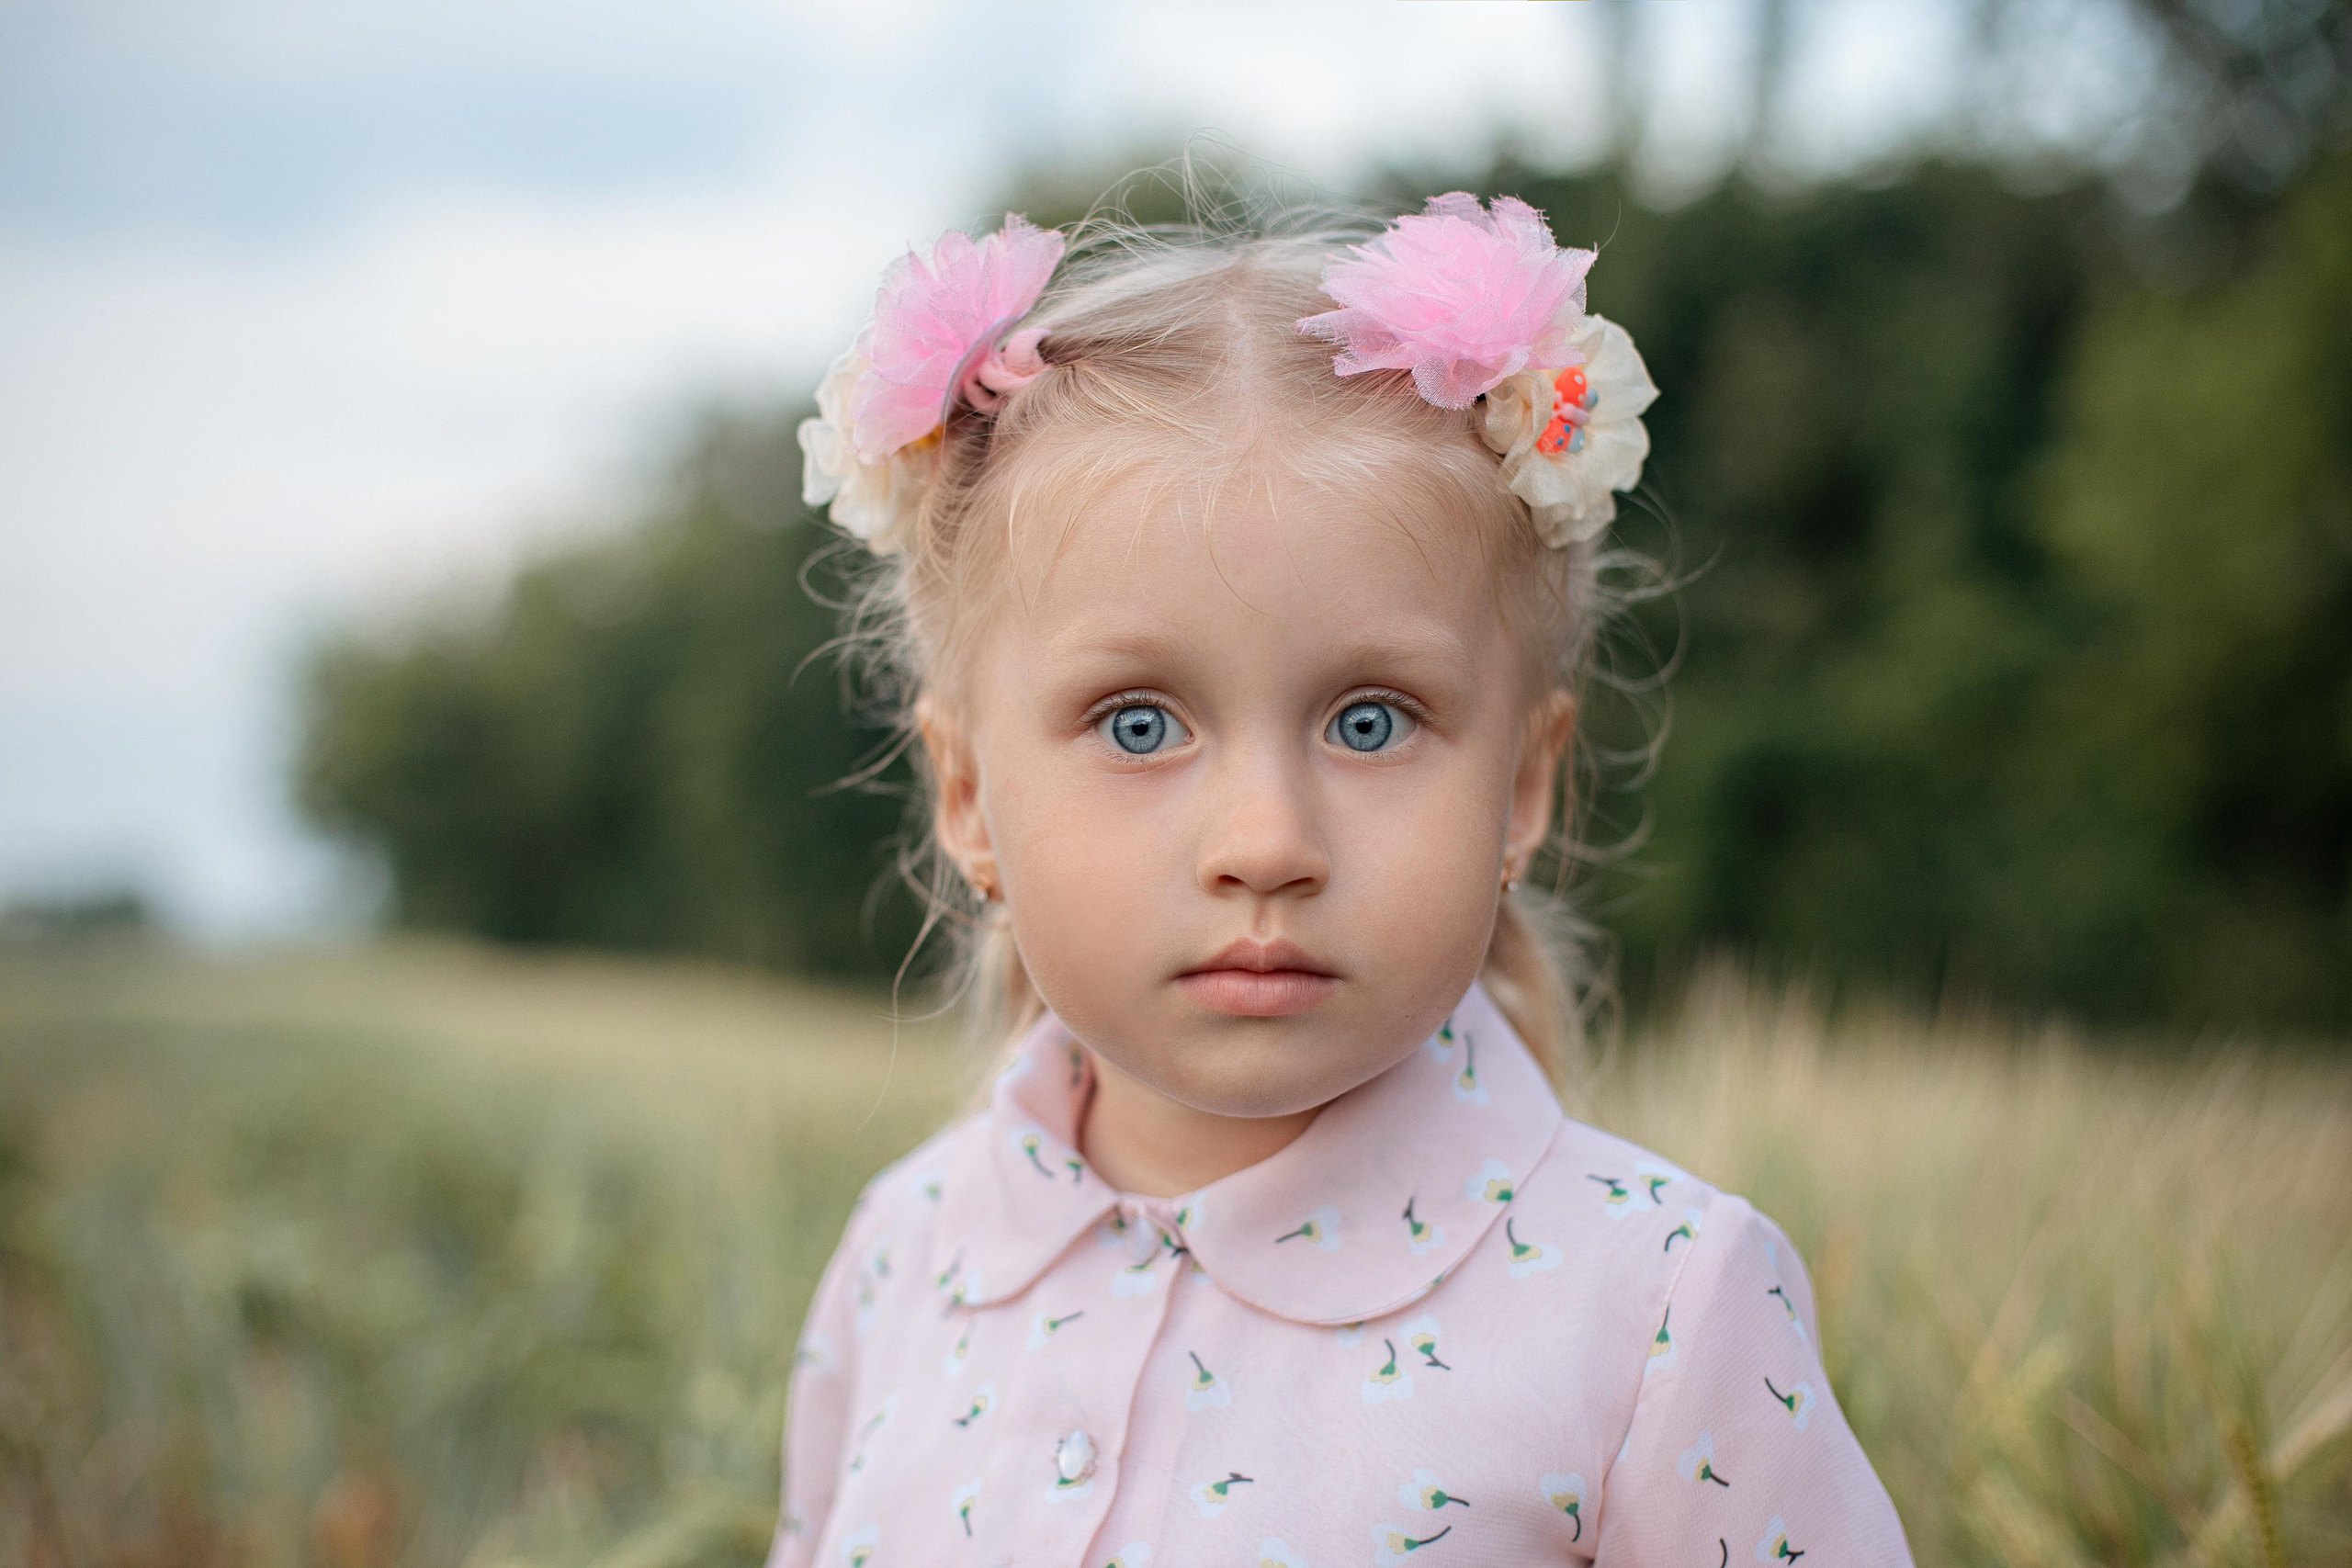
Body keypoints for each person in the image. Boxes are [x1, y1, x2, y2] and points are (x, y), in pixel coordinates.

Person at [768, 189, 1914, 1566]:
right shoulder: (904, 1257)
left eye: (1370, 722)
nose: (1266, 841)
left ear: (1525, 784)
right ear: (967, 795)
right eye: (1140, 724)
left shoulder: (1662, 1307)